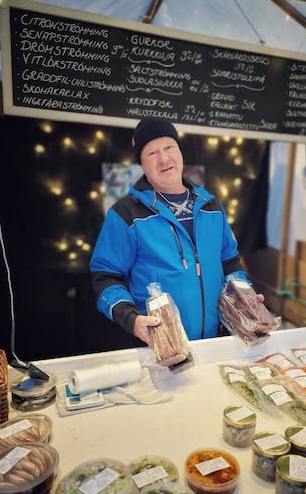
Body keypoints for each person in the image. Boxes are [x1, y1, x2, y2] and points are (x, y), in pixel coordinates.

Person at [90, 116, 262, 347]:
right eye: (152, 153)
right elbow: (106, 277)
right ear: (141, 164)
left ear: (180, 152)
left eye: (169, 147)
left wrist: (244, 295)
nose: (164, 159)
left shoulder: (212, 206)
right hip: (158, 347)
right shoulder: (125, 215)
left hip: (214, 342)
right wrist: (132, 319)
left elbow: (230, 262)